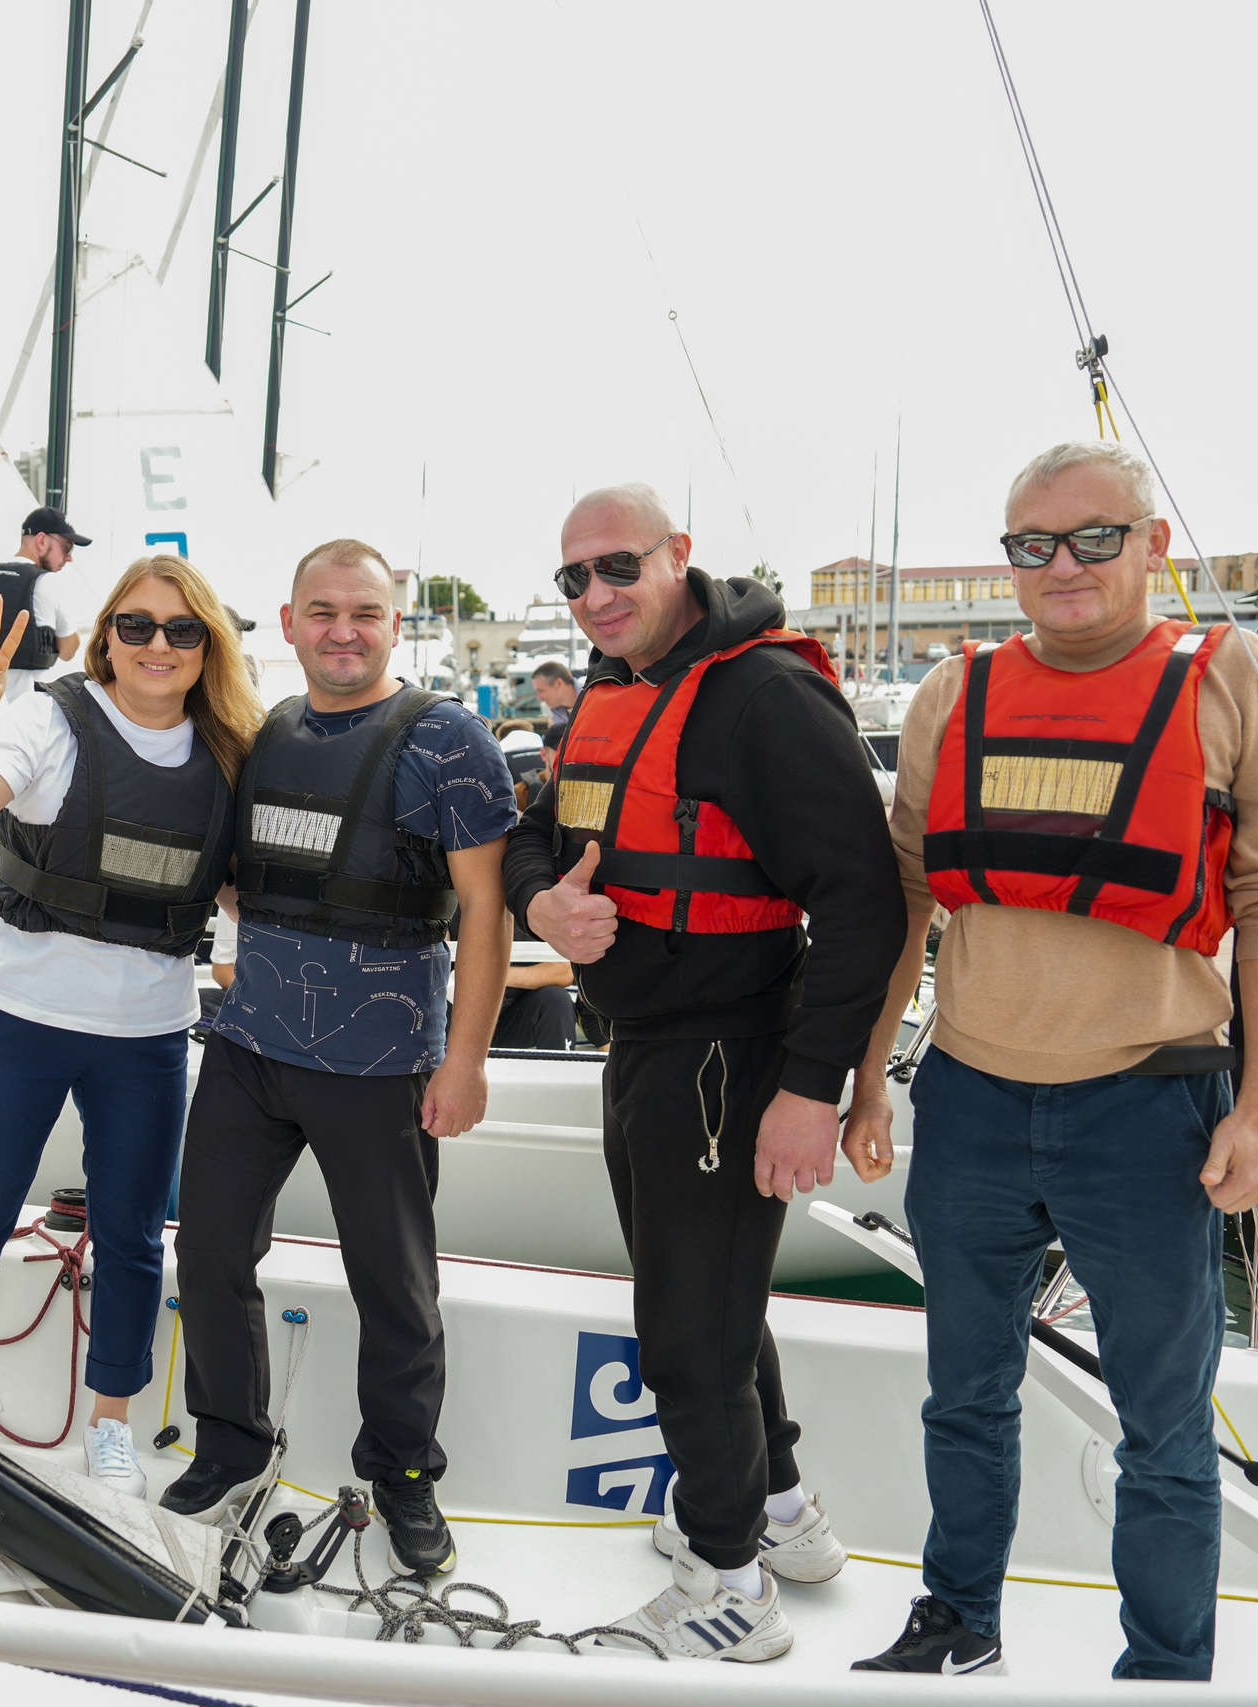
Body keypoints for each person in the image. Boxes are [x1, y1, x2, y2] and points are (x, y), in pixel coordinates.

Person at [845, 441, 1258, 1680]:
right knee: (963, 1393)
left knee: (1163, 1428)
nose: (1062, 566)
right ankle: (957, 1621)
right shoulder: (953, 693)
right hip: (971, 1099)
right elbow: (901, 899)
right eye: (1033, 545)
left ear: (1151, 544)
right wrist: (863, 1080)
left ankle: (1163, 1668)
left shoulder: (1232, 678)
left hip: (1151, 1105)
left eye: (1093, 538)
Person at [508, 483, 905, 1663]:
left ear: (680, 556)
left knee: (685, 1326)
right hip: (643, 1041)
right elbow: (540, 828)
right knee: (712, 1300)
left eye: (617, 568)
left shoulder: (764, 697)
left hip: (728, 1057)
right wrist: (545, 900)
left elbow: (865, 906)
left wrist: (809, 1089)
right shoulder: (616, 685)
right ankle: (778, 1514)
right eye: (572, 579)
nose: (595, 596)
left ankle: (728, 1587)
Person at [165, 539, 514, 1577]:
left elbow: (487, 913)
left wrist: (467, 1062)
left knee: (395, 1287)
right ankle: (231, 1441)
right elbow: (249, 878)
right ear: (287, 623)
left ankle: (404, 1474)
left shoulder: (450, 743)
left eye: (363, 611)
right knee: (211, 1254)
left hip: (383, 1064)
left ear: (394, 622)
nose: (342, 630)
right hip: (250, 1051)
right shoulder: (265, 735)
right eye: (322, 612)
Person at [0, 554, 264, 1499]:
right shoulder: (48, 720)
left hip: (145, 1035)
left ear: (207, 648)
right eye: (137, 626)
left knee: (134, 1231)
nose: (157, 645)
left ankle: (112, 1427)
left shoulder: (231, 751)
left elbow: (241, 887)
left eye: (182, 630)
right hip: (17, 1018)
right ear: (106, 635)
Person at [0, 506, 89, 703]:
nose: (69, 557)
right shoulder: (48, 582)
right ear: (41, 541)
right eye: (67, 547)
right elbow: (69, 650)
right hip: (23, 712)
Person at [531, 657, 578, 759]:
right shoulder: (556, 711)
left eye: (541, 691)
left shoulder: (595, 694)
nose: (539, 697)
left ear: (558, 683)